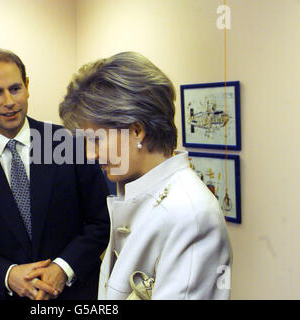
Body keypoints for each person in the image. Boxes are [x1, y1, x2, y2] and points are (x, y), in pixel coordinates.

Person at [59, 51, 232, 299]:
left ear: (137, 130)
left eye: (96, 140)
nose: (90, 154)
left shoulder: (191, 216)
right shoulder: (134, 191)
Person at [0, 49, 110, 300]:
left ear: (28, 86)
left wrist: (63, 268)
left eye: (15, 88)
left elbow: (100, 222)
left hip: (76, 295)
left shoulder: (69, 144)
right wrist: (8, 274)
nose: (9, 101)